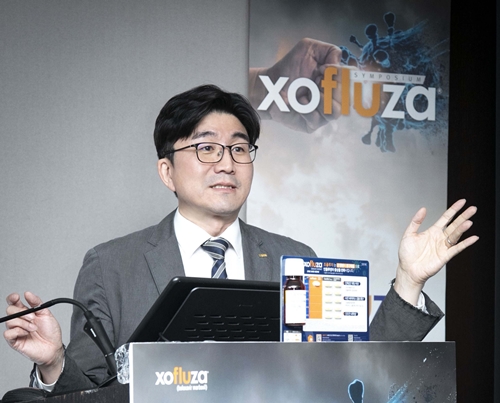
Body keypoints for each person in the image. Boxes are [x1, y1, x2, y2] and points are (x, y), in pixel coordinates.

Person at [3, 85, 478, 394]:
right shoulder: (111, 265)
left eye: (239, 148)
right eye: (206, 147)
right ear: (167, 171)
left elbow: (355, 374)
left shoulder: (296, 258)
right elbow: (85, 394)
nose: (227, 163)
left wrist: (409, 281)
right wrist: (54, 362)